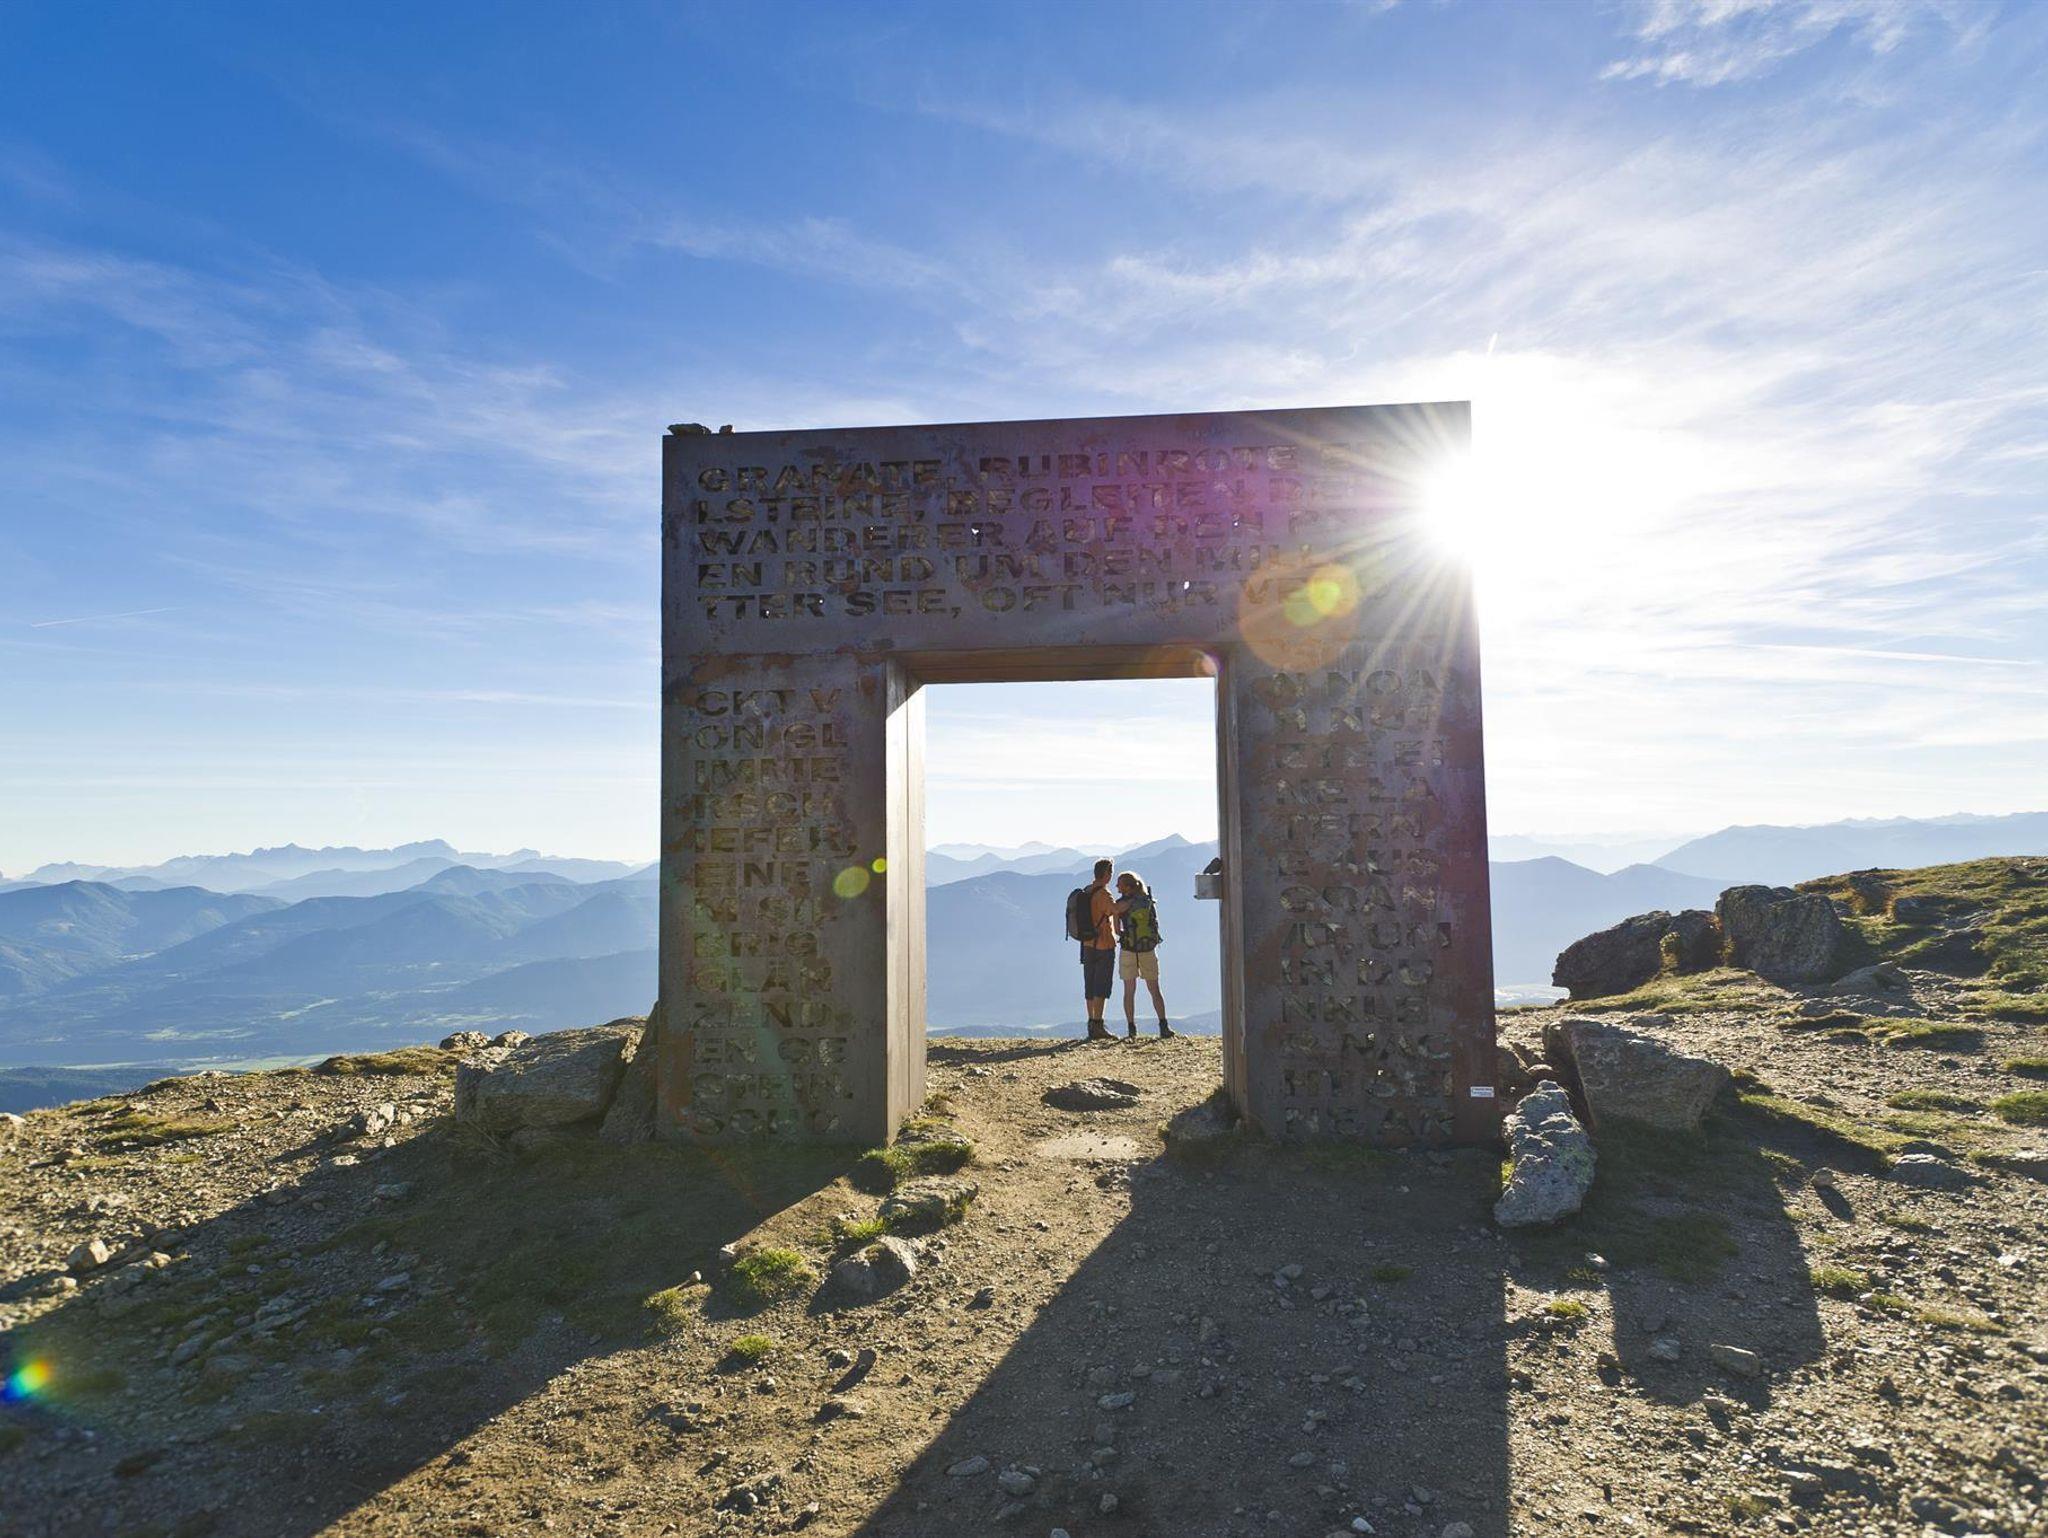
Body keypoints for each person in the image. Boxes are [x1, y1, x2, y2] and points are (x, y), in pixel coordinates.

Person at [1113, 870, 1173, 1039]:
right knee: (1155, 989)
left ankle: (1131, 1028)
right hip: (1148, 949)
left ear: (1127, 887)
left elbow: (1116, 930)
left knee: (1129, 991)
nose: (1116, 886)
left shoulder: (1120, 905)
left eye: (1119, 884)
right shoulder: (1147, 901)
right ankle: (1163, 1025)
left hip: (1128, 950)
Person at [1079, 858, 1118, 1041]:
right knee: (1101, 986)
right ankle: (1098, 1024)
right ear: (1107, 874)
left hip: (1087, 944)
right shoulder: (1103, 893)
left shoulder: (1087, 890)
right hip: (1103, 944)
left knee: (1090, 984)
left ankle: (1091, 1022)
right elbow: (1114, 910)